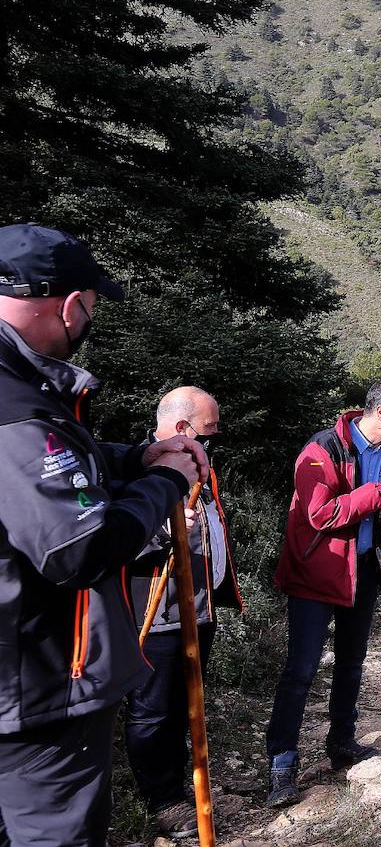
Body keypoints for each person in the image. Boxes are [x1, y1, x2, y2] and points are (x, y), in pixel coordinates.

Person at [0, 222, 207, 846]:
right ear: (68, 304)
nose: (87, 322)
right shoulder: (16, 405)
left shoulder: (22, 392)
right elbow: (79, 546)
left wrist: (131, 458)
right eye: (90, 308)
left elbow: (42, 480)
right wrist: (165, 482)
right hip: (35, 683)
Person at [265, 379, 381, 808]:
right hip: (316, 574)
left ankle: (342, 742)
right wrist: (375, 495)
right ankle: (282, 761)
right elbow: (319, 514)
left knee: (351, 662)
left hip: (364, 571)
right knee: (301, 670)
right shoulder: (323, 449)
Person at [126, 386, 245, 838]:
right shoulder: (134, 472)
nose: (215, 436)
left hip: (198, 609)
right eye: (210, 429)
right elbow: (113, 542)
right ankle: (160, 799)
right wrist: (162, 530)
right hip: (155, 613)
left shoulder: (198, 467)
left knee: (185, 704)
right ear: (182, 428)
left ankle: (189, 790)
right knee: (153, 710)